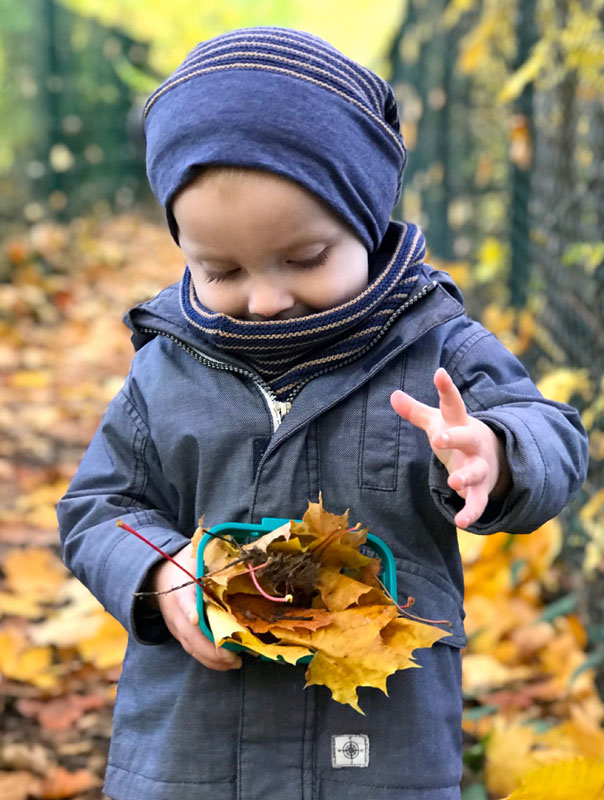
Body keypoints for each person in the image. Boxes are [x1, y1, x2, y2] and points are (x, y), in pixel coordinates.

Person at [57, 26, 588, 800]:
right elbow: (99, 509)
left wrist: (498, 453)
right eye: (221, 270)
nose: (266, 298)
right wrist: (159, 575)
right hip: (191, 756)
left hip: (378, 751)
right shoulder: (165, 369)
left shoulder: (438, 346)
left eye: (304, 259)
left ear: (366, 221)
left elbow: (553, 436)